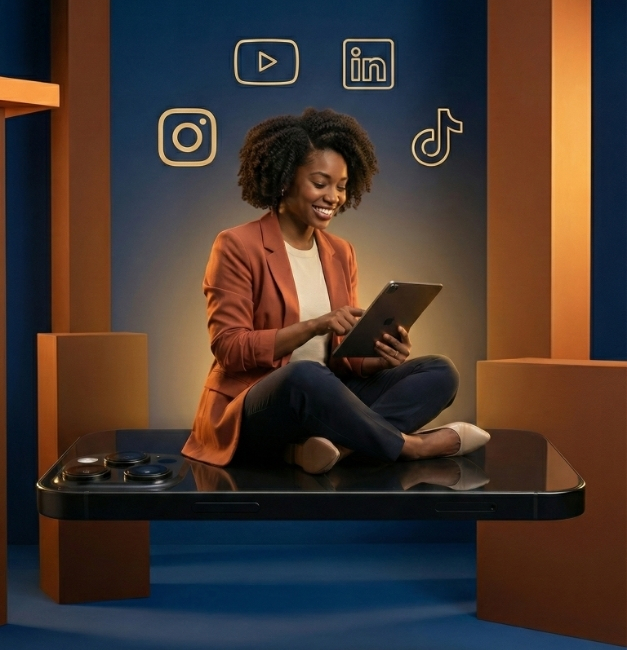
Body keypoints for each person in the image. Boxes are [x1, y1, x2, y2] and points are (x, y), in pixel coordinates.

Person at [182, 108, 489, 479]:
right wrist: (314, 326)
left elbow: (343, 363)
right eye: (320, 183)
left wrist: (381, 358)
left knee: (439, 372)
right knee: (304, 375)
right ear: (285, 180)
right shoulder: (236, 245)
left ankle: (333, 450)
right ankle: (410, 446)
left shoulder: (340, 252)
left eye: (341, 186)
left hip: (326, 400)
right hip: (260, 405)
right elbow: (229, 349)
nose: (334, 197)